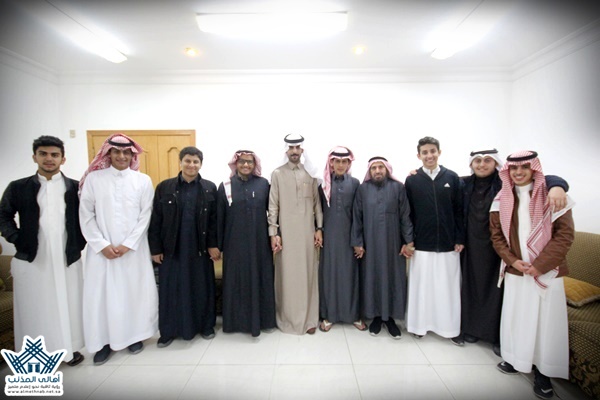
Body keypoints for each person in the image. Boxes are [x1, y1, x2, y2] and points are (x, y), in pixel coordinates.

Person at [460, 149, 569, 356]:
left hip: (502, 252)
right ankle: (473, 330)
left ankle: (496, 336)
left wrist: (558, 185)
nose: (482, 165)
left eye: (487, 160)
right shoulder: (464, 184)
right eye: (477, 161)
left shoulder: (504, 184)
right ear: (471, 164)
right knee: (472, 287)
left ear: (496, 164)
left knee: (498, 293)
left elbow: (545, 179)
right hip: (474, 247)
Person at [490, 150, 574, 399]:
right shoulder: (500, 199)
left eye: (524, 167)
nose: (518, 172)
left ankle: (543, 372)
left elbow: (565, 235)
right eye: (514, 168)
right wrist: (513, 261)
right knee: (517, 318)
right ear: (507, 171)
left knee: (544, 325)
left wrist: (541, 265)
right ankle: (516, 359)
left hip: (547, 272)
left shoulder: (554, 196)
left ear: (533, 169)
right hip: (517, 270)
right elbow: (497, 236)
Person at [0, 135, 86, 366]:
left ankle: (69, 351)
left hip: (67, 257)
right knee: (35, 308)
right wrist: (16, 239)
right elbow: (3, 216)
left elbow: (87, 217)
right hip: (32, 259)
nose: (49, 159)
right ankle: (35, 356)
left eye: (54, 155)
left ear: (63, 159)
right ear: (34, 157)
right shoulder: (18, 187)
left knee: (68, 304)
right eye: (43, 154)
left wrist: (80, 243)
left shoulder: (75, 188)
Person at [79, 133, 158, 365]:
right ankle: (103, 342)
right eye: (116, 151)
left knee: (133, 293)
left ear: (132, 156)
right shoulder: (94, 180)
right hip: (101, 253)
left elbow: (146, 215)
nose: (121, 156)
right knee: (102, 296)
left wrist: (128, 244)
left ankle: (135, 337)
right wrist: (101, 245)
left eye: (126, 152)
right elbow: (85, 214)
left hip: (133, 251)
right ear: (108, 154)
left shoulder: (143, 180)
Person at [148, 146, 220, 347]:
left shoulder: (209, 188)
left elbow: (213, 221)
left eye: (196, 162)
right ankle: (168, 332)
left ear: (201, 164)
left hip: (200, 249)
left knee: (201, 288)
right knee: (171, 290)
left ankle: (205, 326)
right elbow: (156, 220)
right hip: (172, 249)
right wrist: (155, 249)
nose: (191, 165)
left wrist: (213, 245)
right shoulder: (165, 187)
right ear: (180, 162)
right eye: (188, 161)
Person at [405, 136, 464, 344]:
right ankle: (419, 326)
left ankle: (450, 329)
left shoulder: (453, 178)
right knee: (422, 289)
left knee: (447, 289)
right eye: (425, 152)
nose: (429, 155)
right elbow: (408, 213)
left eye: (432, 151)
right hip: (422, 244)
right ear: (418, 155)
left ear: (439, 152)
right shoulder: (412, 180)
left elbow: (460, 211)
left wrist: (459, 237)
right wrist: (409, 240)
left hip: (448, 245)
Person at [351, 157, 414, 338]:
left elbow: (405, 216)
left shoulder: (398, 188)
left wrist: (409, 241)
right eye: (374, 168)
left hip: (393, 245)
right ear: (369, 171)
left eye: (381, 167)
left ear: (387, 169)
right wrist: (357, 242)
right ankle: (376, 317)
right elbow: (357, 217)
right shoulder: (362, 189)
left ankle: (391, 318)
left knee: (393, 278)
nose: (377, 171)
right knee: (372, 278)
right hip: (370, 245)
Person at [216, 150, 276, 337]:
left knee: (260, 278)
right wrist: (218, 245)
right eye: (242, 161)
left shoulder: (263, 184)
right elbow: (219, 218)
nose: (246, 165)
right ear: (236, 163)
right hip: (234, 244)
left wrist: (275, 235)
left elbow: (273, 211)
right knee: (236, 281)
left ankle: (263, 321)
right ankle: (236, 322)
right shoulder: (225, 186)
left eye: (250, 162)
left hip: (259, 243)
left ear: (255, 164)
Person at [268, 134, 323, 335]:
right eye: (291, 148)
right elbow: (273, 205)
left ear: (302, 150)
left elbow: (317, 205)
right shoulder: (277, 174)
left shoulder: (310, 174)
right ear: (286, 150)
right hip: (286, 235)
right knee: (288, 276)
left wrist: (319, 228)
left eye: (297, 147)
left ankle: (309, 319)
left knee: (308, 275)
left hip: (308, 234)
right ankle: (288, 319)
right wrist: (274, 233)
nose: (294, 151)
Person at [318, 146, 364, 332]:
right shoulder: (323, 184)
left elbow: (358, 214)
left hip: (349, 238)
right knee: (329, 275)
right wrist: (319, 231)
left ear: (349, 163)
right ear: (331, 162)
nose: (340, 165)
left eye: (344, 161)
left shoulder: (355, 183)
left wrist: (357, 241)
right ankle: (329, 315)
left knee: (350, 276)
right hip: (329, 237)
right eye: (337, 161)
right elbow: (318, 210)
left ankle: (353, 315)